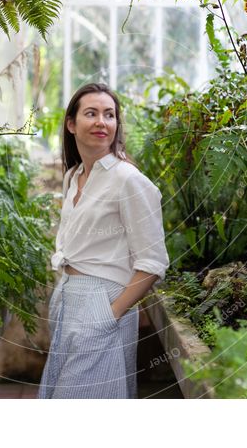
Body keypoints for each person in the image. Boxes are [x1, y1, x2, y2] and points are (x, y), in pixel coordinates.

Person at [37, 82, 170, 399]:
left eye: (109, 115)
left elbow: (153, 262)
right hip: (68, 297)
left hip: (104, 301)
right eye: (91, 113)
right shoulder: (74, 176)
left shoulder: (128, 180)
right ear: (71, 124)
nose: (101, 122)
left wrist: (110, 314)